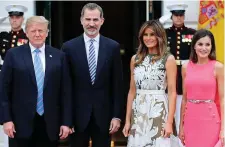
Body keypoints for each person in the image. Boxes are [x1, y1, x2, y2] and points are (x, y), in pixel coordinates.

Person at [0, 16, 72, 147]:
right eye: (33, 31)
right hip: (19, 125)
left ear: (47, 33)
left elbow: (65, 92)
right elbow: (3, 90)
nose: (37, 34)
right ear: (26, 32)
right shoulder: (13, 55)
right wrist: (6, 119)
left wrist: (66, 122)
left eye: (41, 30)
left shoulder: (59, 56)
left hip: (50, 125)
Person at [62, 3, 123, 147]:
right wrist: (66, 119)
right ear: (81, 20)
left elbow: (117, 85)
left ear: (102, 21)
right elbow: (65, 86)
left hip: (104, 117)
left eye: (95, 20)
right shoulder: (68, 47)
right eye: (88, 19)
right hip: (77, 118)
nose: (91, 24)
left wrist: (116, 116)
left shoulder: (112, 47)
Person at [122, 20, 178, 147]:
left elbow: (172, 92)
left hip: (159, 110)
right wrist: (127, 121)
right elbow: (132, 91)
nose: (148, 38)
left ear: (160, 36)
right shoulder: (135, 59)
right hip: (139, 112)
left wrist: (169, 122)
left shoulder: (168, 59)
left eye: (152, 34)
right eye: (145, 35)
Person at [179, 29, 224, 147]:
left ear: (212, 47)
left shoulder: (218, 67)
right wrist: (181, 126)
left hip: (211, 119)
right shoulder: (185, 67)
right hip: (191, 120)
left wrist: (223, 129)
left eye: (207, 44)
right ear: (194, 45)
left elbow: (223, 99)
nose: (204, 48)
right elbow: (184, 99)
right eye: (200, 44)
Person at [165, 3, 196, 132]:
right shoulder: (164, 33)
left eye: (181, 15)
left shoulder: (192, 33)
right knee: (168, 108)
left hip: (186, 73)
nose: (178, 18)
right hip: (169, 74)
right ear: (171, 16)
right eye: (176, 15)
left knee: (184, 107)